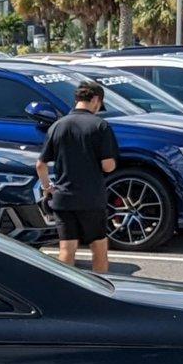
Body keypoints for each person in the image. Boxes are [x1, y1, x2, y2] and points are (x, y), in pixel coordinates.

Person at [36, 79, 119, 273]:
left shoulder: (58, 125)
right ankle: (101, 292)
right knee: (99, 248)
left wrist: (48, 188)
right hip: (91, 198)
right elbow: (107, 166)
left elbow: (40, 164)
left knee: (67, 249)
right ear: (96, 100)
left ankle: (65, 292)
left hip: (63, 198)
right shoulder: (100, 126)